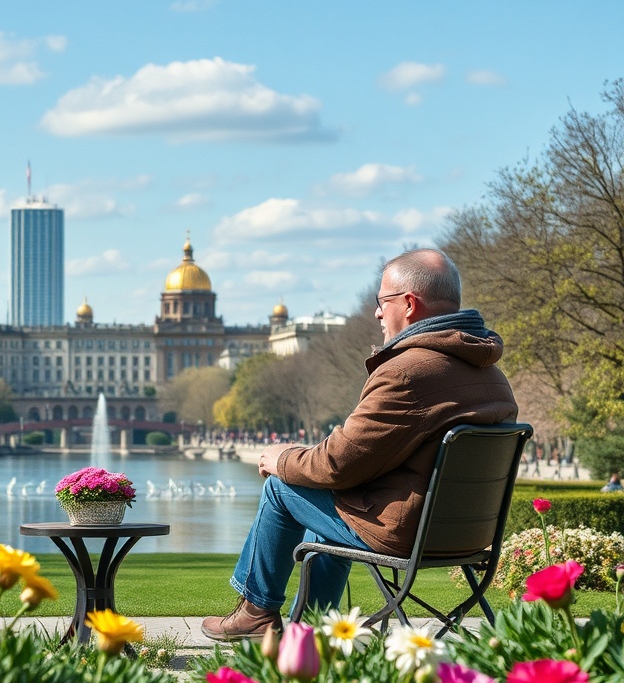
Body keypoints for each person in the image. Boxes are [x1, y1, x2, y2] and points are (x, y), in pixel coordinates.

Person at [201, 248, 518, 641]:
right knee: (327, 504)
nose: (377, 314)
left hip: (405, 533)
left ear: (408, 304)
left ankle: (257, 610)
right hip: (468, 537)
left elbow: (337, 464)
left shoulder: (408, 372)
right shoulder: (493, 376)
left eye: (381, 302)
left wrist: (282, 457)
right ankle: (314, 629)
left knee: (281, 487)